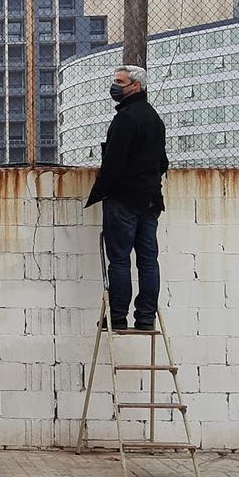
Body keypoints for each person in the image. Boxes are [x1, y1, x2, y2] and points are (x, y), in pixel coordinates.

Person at [85, 65, 168, 331]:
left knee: (119, 260)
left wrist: (100, 190)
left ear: (136, 86)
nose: (115, 86)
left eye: (120, 81)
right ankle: (145, 318)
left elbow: (114, 162)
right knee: (147, 260)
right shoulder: (155, 118)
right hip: (151, 200)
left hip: (124, 200)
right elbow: (162, 161)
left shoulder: (125, 119)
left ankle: (117, 316)